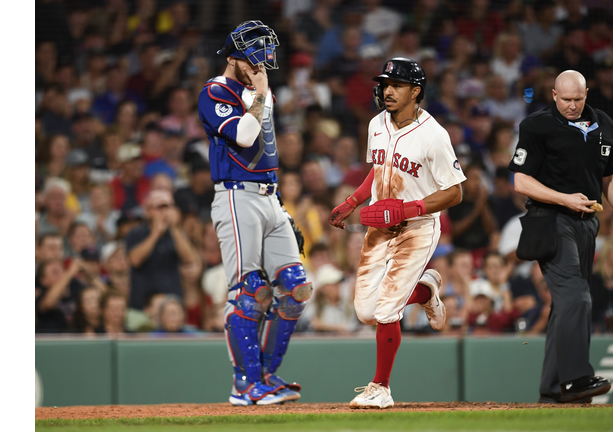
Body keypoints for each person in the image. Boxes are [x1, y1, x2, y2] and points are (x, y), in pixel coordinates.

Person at [328, 57, 466, 409]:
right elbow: (378, 170)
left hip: (417, 227)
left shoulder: (434, 135)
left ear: (415, 91)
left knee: (387, 310)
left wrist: (410, 208)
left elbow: (455, 192)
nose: (387, 90)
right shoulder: (376, 123)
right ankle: (424, 292)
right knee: (365, 312)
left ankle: (381, 387)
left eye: (397, 85)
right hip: (380, 227)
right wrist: (353, 200)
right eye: (385, 84)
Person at [197, 20, 312, 407]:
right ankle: (245, 384)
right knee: (250, 292)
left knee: (296, 288)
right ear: (234, 58)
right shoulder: (216, 91)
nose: (261, 64)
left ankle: (266, 376)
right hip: (235, 195)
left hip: (268, 196)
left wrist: (277, 206)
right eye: (254, 57)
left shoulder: (258, 92)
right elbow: (244, 136)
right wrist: (260, 92)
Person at [508, 70, 613, 404]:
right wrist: (564, 197)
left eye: (578, 98)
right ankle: (576, 379)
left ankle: (552, 388)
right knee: (578, 297)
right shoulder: (536, 126)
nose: (572, 105)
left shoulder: (605, 124)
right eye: (565, 99)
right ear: (553, 95)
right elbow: (521, 181)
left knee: (565, 306)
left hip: (586, 224)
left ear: (586, 93)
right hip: (550, 220)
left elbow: (609, 179)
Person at [125, 189, 198, 311]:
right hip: (142, 306)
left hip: (173, 304)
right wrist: (155, 234)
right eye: (160, 207)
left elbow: (189, 259)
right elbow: (134, 260)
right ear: (148, 211)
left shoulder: (177, 234)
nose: (165, 212)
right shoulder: (136, 233)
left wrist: (175, 228)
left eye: (168, 207)